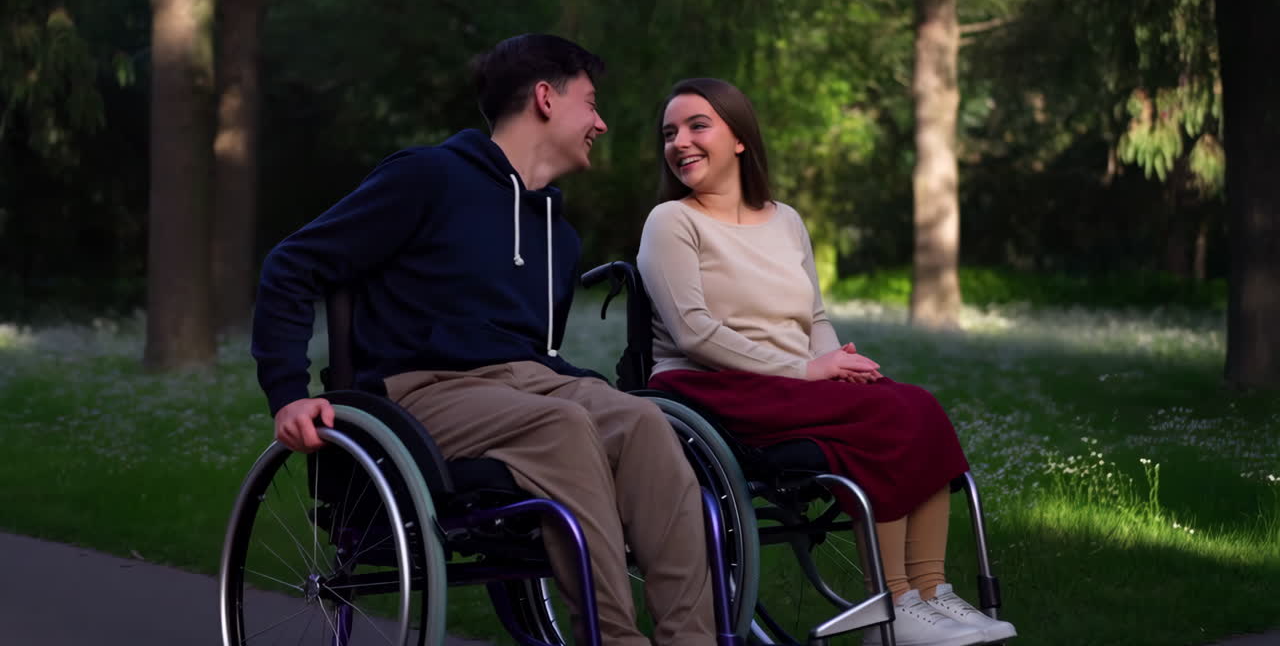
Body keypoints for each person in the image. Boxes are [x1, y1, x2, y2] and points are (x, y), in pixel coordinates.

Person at [251, 35, 716, 646]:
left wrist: (590, 388)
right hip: (424, 392)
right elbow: (291, 266)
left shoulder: (558, 234)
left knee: (645, 423)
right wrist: (288, 392)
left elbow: (530, 352)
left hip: (529, 387)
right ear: (546, 99)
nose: (600, 123)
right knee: (562, 429)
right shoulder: (428, 177)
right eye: (591, 103)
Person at [635, 78, 1017, 646]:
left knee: (916, 407)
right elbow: (695, 334)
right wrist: (806, 371)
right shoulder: (672, 221)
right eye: (670, 132)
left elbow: (813, 319)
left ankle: (933, 593)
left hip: (788, 384)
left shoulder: (785, 220)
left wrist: (837, 361)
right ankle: (894, 602)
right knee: (881, 422)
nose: (680, 142)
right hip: (712, 386)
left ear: (739, 138)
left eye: (697, 126)